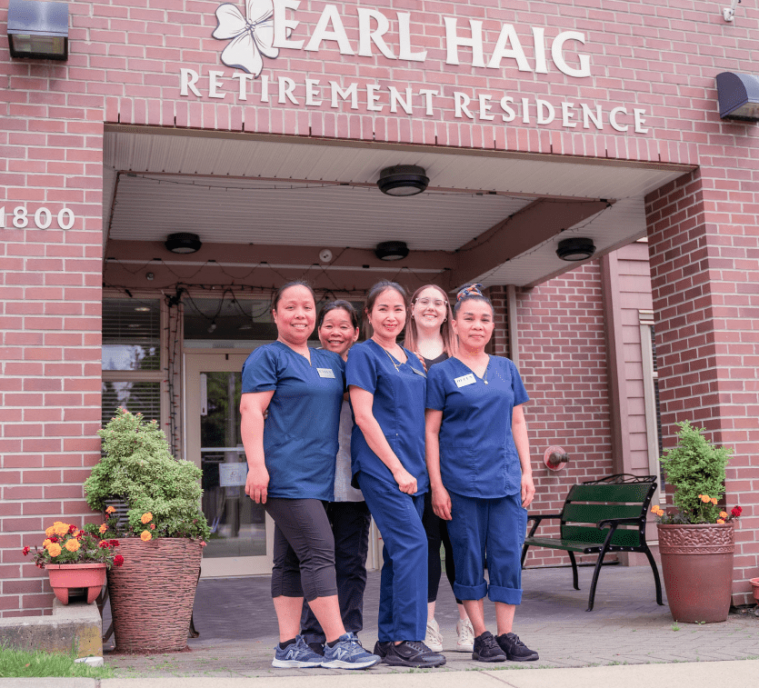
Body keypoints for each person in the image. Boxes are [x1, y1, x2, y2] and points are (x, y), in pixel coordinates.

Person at [240, 281, 380, 670]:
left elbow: (365, 393)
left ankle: (289, 647)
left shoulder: (331, 362)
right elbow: (251, 412)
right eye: (290, 307)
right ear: (275, 314)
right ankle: (337, 642)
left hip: (317, 479)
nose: (300, 314)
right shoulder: (267, 357)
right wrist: (256, 465)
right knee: (320, 553)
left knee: (289, 561)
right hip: (285, 475)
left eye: (306, 307)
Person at [424, 283, 539, 663]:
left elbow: (517, 422)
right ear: (454, 325)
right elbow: (431, 432)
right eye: (469, 318)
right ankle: (481, 635)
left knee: (507, 555)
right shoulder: (440, 373)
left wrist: (527, 472)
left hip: (506, 481)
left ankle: (506, 634)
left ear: (493, 326)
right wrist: (437, 485)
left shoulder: (506, 368)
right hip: (462, 484)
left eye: (485, 319)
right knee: (468, 557)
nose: (478, 325)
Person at [346, 280, 446, 669]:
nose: (392, 316)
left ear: (408, 315)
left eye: (398, 309)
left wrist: (420, 471)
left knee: (398, 552)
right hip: (382, 468)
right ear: (369, 315)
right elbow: (363, 417)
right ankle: (408, 637)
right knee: (414, 545)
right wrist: (398, 468)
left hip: (414, 470)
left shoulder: (412, 360)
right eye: (383, 309)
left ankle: (389, 639)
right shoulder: (363, 354)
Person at [404, 284, 474, 653]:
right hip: (415, 467)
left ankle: (468, 623)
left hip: (460, 467)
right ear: (411, 309)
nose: (431, 308)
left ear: (448, 312)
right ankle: (428, 625)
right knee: (427, 545)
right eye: (424, 301)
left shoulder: (462, 358)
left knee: (463, 545)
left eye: (438, 302)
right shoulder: (398, 357)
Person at [300, 301, 373, 655]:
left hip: (355, 482)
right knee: (316, 560)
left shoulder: (367, 365)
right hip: (315, 482)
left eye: (344, 326)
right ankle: (315, 635)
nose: (336, 333)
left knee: (351, 562)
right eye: (329, 326)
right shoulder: (308, 366)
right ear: (319, 331)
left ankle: (350, 632)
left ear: (356, 332)